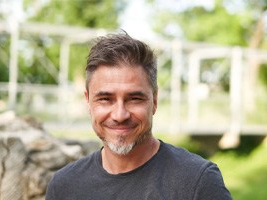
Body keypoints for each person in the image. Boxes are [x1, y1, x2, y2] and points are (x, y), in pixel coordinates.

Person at [46, 32, 232, 200]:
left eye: (134, 98)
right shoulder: (64, 186)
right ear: (88, 102)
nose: (120, 115)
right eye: (105, 99)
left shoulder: (197, 182)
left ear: (155, 101)